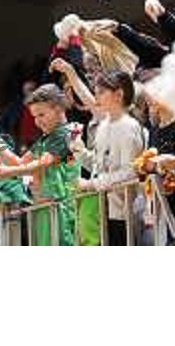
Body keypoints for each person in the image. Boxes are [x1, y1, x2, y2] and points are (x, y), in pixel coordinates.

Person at [50, 60, 145, 245]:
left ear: (118, 94)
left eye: (101, 92)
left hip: (122, 211)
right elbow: (98, 165)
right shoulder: (105, 126)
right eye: (96, 92)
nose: (96, 97)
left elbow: (130, 171)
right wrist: (80, 152)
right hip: (102, 209)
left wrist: (91, 184)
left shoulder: (128, 127)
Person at [0, 84, 81, 246]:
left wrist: (10, 172)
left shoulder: (65, 133)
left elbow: (44, 163)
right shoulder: (45, 138)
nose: (37, 122)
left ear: (59, 108)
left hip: (61, 207)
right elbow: (20, 162)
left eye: (41, 115)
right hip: (43, 206)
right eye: (34, 117)